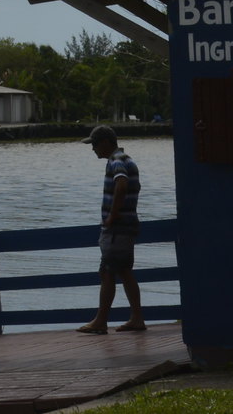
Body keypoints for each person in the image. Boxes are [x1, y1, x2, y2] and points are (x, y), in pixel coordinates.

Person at [78, 125, 146, 334]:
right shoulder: (125, 159)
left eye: (95, 144)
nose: (93, 149)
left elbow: (122, 185)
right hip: (125, 226)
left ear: (107, 142)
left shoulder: (117, 161)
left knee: (107, 272)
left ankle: (101, 321)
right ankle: (136, 318)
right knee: (123, 271)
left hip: (118, 228)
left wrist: (113, 215)